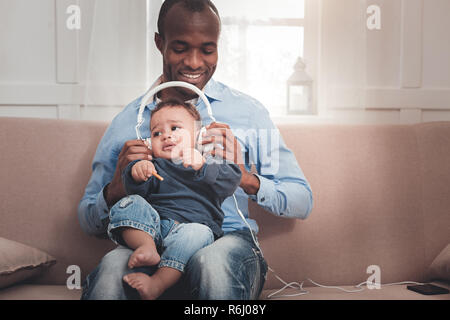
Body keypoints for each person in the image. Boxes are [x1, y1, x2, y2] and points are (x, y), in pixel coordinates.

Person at [79, 0, 313, 300]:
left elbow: (302, 200)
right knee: (113, 269)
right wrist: (114, 189)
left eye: (207, 48)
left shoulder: (248, 113)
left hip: (228, 241)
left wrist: (244, 178)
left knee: (211, 263)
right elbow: (87, 220)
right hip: (150, 243)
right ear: (159, 43)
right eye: (180, 48)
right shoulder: (128, 122)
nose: (194, 62)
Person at [109, 99, 241, 300]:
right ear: (149, 142)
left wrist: (203, 165)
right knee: (128, 203)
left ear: (198, 136)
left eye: (175, 128)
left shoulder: (208, 164)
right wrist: (137, 172)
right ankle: (146, 246)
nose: (166, 135)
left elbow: (231, 179)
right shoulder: (154, 165)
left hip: (190, 231)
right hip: (153, 229)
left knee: (198, 232)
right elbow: (136, 193)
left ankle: (158, 282)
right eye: (156, 133)